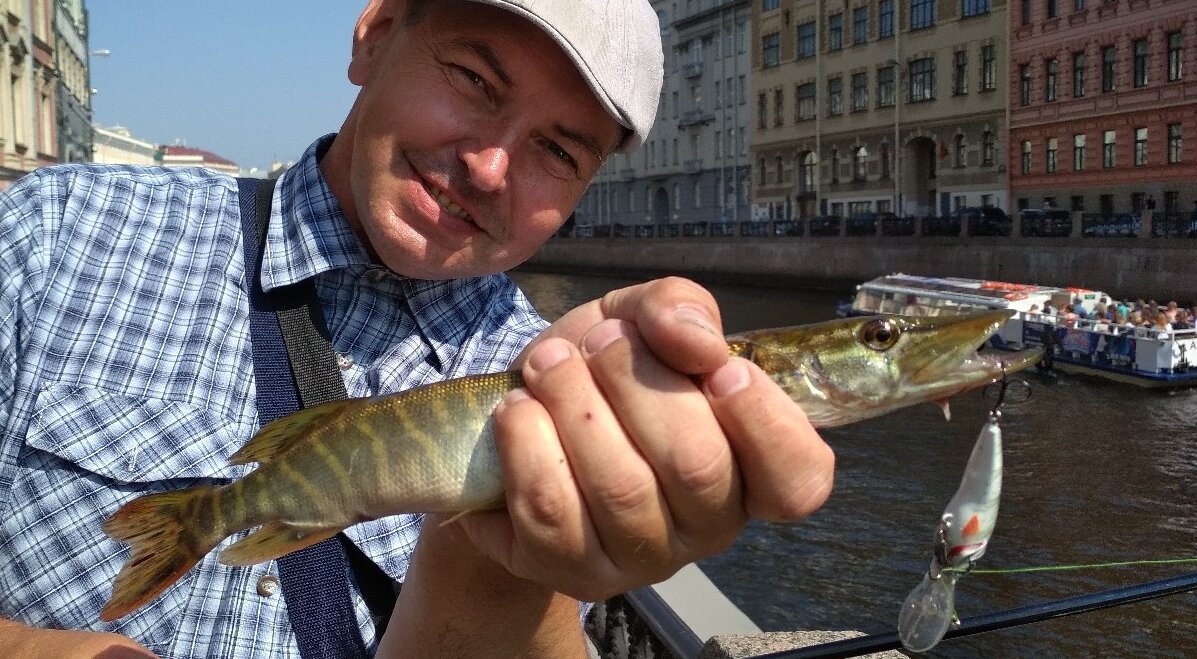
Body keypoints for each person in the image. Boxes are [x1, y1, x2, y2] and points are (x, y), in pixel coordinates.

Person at [0, 1, 834, 657]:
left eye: (557, 150)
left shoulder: (563, 378)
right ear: (376, 36)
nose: (489, 166)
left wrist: (510, 575)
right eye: (473, 79)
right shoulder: (52, 231)